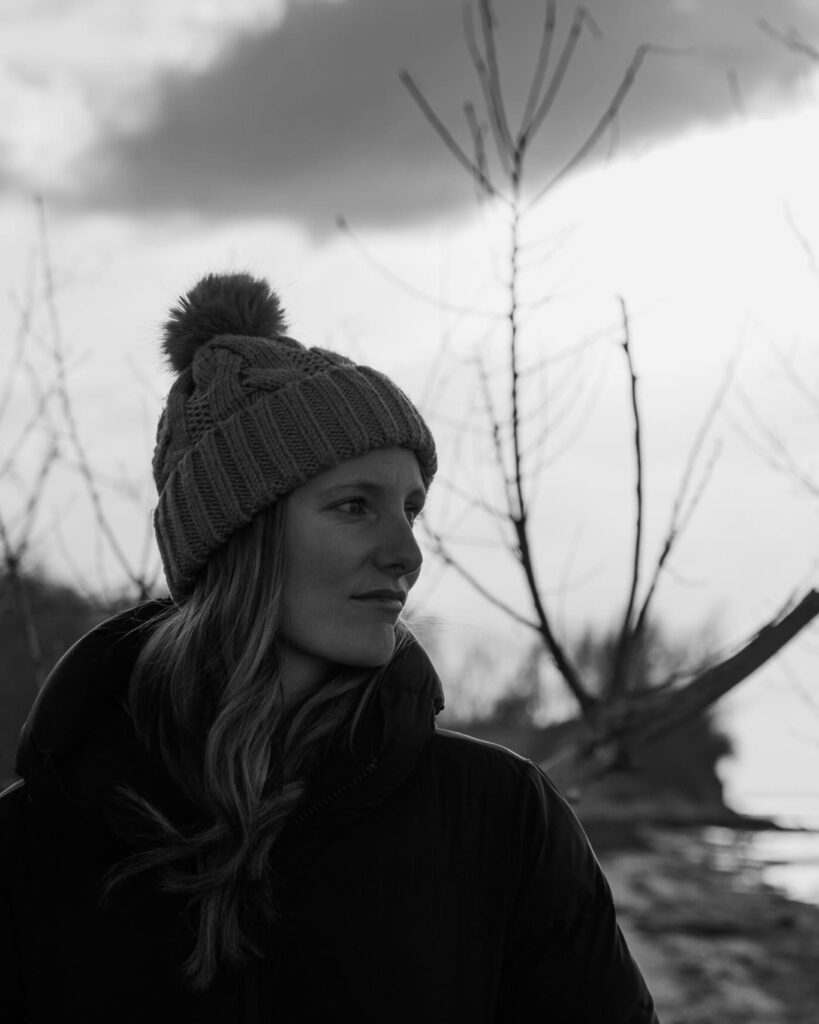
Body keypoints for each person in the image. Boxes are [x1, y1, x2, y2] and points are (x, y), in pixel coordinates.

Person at [0, 273, 659, 1022]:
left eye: (411, 508)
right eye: (355, 506)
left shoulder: (499, 820)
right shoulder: (33, 845)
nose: (406, 553)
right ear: (236, 536)